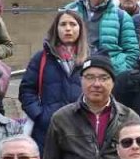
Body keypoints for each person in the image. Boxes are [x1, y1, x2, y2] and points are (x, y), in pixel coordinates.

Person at [19, 10, 88, 151]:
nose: (68, 28)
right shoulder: (41, 57)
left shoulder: (91, 57)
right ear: (56, 29)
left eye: (73, 24)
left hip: (83, 129)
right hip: (47, 130)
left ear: (80, 28)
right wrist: (40, 115)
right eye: (63, 24)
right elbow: (26, 90)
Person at [63, 0, 139, 74]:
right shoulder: (68, 12)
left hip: (109, 78)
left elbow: (132, 52)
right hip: (75, 75)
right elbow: (53, 43)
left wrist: (117, 73)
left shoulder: (122, 16)